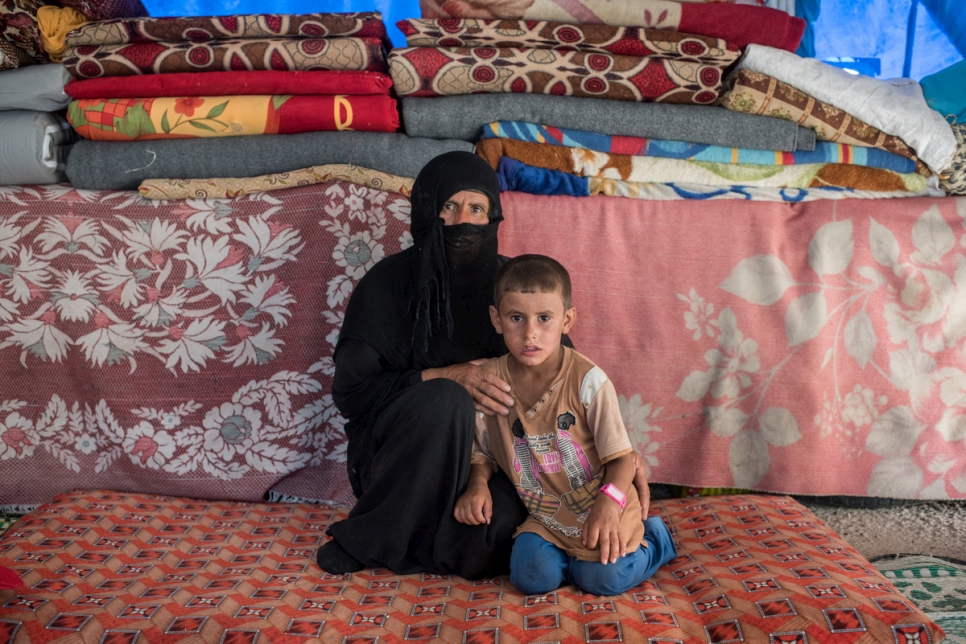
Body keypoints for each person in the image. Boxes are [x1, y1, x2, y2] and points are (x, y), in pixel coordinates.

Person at [317, 151, 650, 579]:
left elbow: (563, 375)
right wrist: (445, 376)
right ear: (426, 210)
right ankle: (372, 538)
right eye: (449, 207)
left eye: (477, 208)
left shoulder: (512, 291)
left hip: (497, 459)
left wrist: (620, 457)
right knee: (446, 400)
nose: (463, 222)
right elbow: (352, 396)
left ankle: (436, 542)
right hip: (399, 462)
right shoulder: (384, 287)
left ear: (493, 215)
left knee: (500, 536)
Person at [454, 255, 676, 595]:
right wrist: (477, 485)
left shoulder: (589, 382)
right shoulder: (490, 384)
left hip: (604, 505)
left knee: (602, 579)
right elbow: (482, 454)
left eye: (544, 318)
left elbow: (621, 459)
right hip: (548, 519)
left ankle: (655, 539)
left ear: (567, 319)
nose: (530, 332)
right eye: (517, 318)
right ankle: (572, 561)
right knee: (530, 578)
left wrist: (607, 504)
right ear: (496, 319)